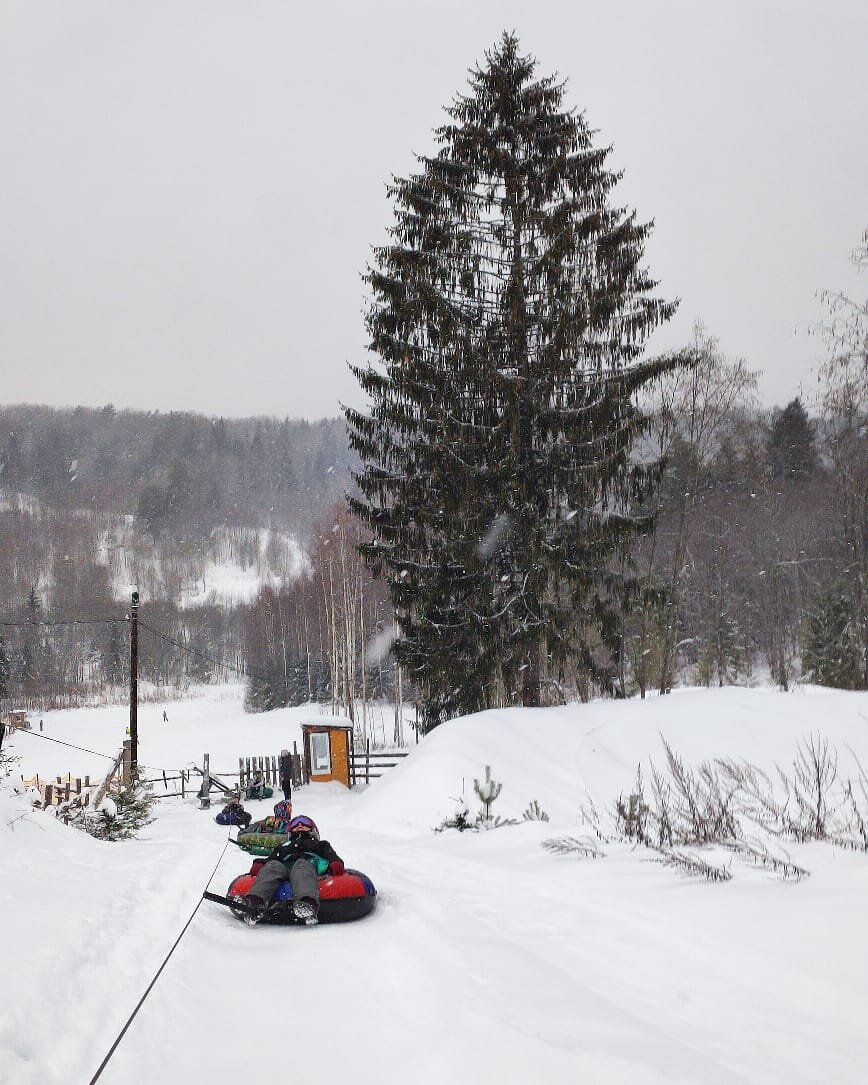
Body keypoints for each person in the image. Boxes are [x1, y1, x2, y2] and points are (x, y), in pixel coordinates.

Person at [243, 815, 343, 926]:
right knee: (273, 865)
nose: (300, 825)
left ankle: (307, 903)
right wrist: (260, 863)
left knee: (301, 864)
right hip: (284, 867)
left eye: (304, 823)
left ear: (313, 829)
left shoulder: (320, 844)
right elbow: (271, 859)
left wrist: (335, 863)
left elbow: (332, 856)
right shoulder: (283, 846)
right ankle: (255, 902)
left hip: (308, 865)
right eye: (295, 824)